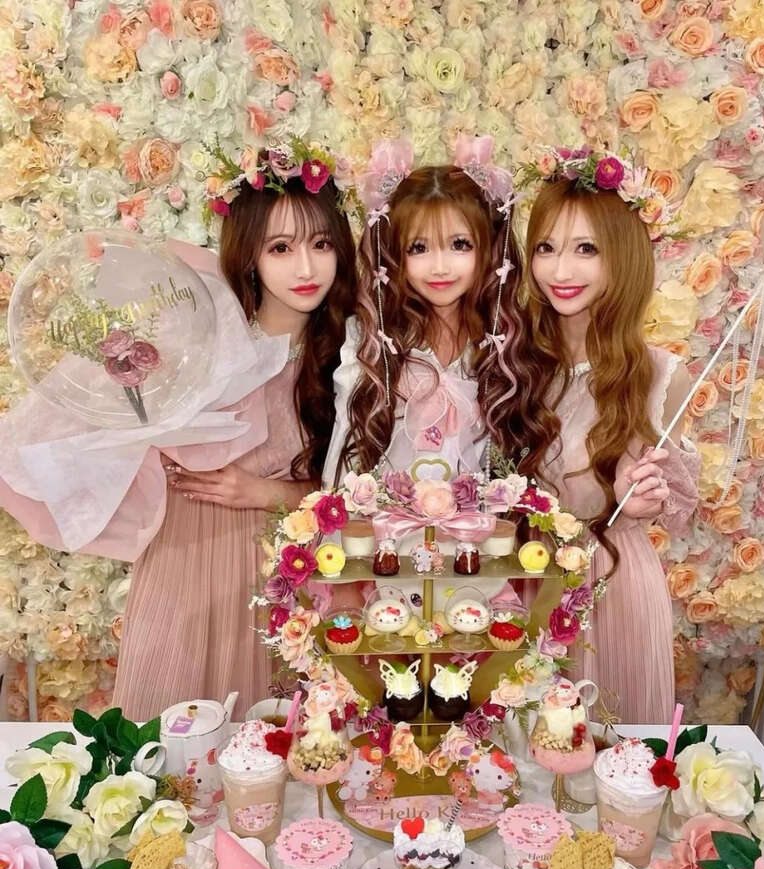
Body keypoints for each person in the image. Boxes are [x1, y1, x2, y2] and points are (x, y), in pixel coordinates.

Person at [0, 143, 356, 719]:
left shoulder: (352, 355)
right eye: (281, 248)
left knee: (282, 742)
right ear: (249, 255)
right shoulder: (195, 342)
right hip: (184, 556)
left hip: (287, 567)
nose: (306, 268)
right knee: (169, 744)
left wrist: (265, 492)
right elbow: (101, 420)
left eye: (321, 244)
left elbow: (369, 491)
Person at [322, 136, 539, 617]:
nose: (439, 266)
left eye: (460, 245)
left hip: (476, 563)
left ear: (490, 249)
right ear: (393, 256)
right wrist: (342, 576)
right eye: (418, 248)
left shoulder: (503, 345)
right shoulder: (371, 342)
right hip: (385, 559)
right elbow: (344, 458)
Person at [519, 151, 699, 722]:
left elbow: (675, 505)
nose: (560, 270)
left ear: (622, 256)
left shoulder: (662, 376)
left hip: (613, 586)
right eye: (545, 247)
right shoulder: (511, 364)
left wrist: (643, 497)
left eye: (586, 249)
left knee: (612, 757)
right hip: (521, 582)